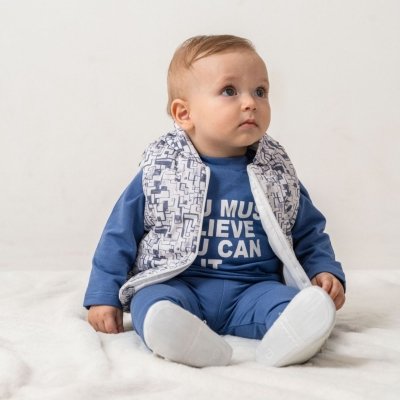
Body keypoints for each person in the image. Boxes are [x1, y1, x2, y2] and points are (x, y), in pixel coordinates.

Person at [83, 34, 346, 368]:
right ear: (184, 113)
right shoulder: (162, 172)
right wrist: (103, 295)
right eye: (230, 91)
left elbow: (308, 230)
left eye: (260, 91)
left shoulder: (274, 173)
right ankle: (180, 337)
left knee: (293, 304)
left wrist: (323, 269)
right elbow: (118, 234)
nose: (250, 102)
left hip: (253, 289)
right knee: (151, 302)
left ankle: (292, 338)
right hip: (180, 284)